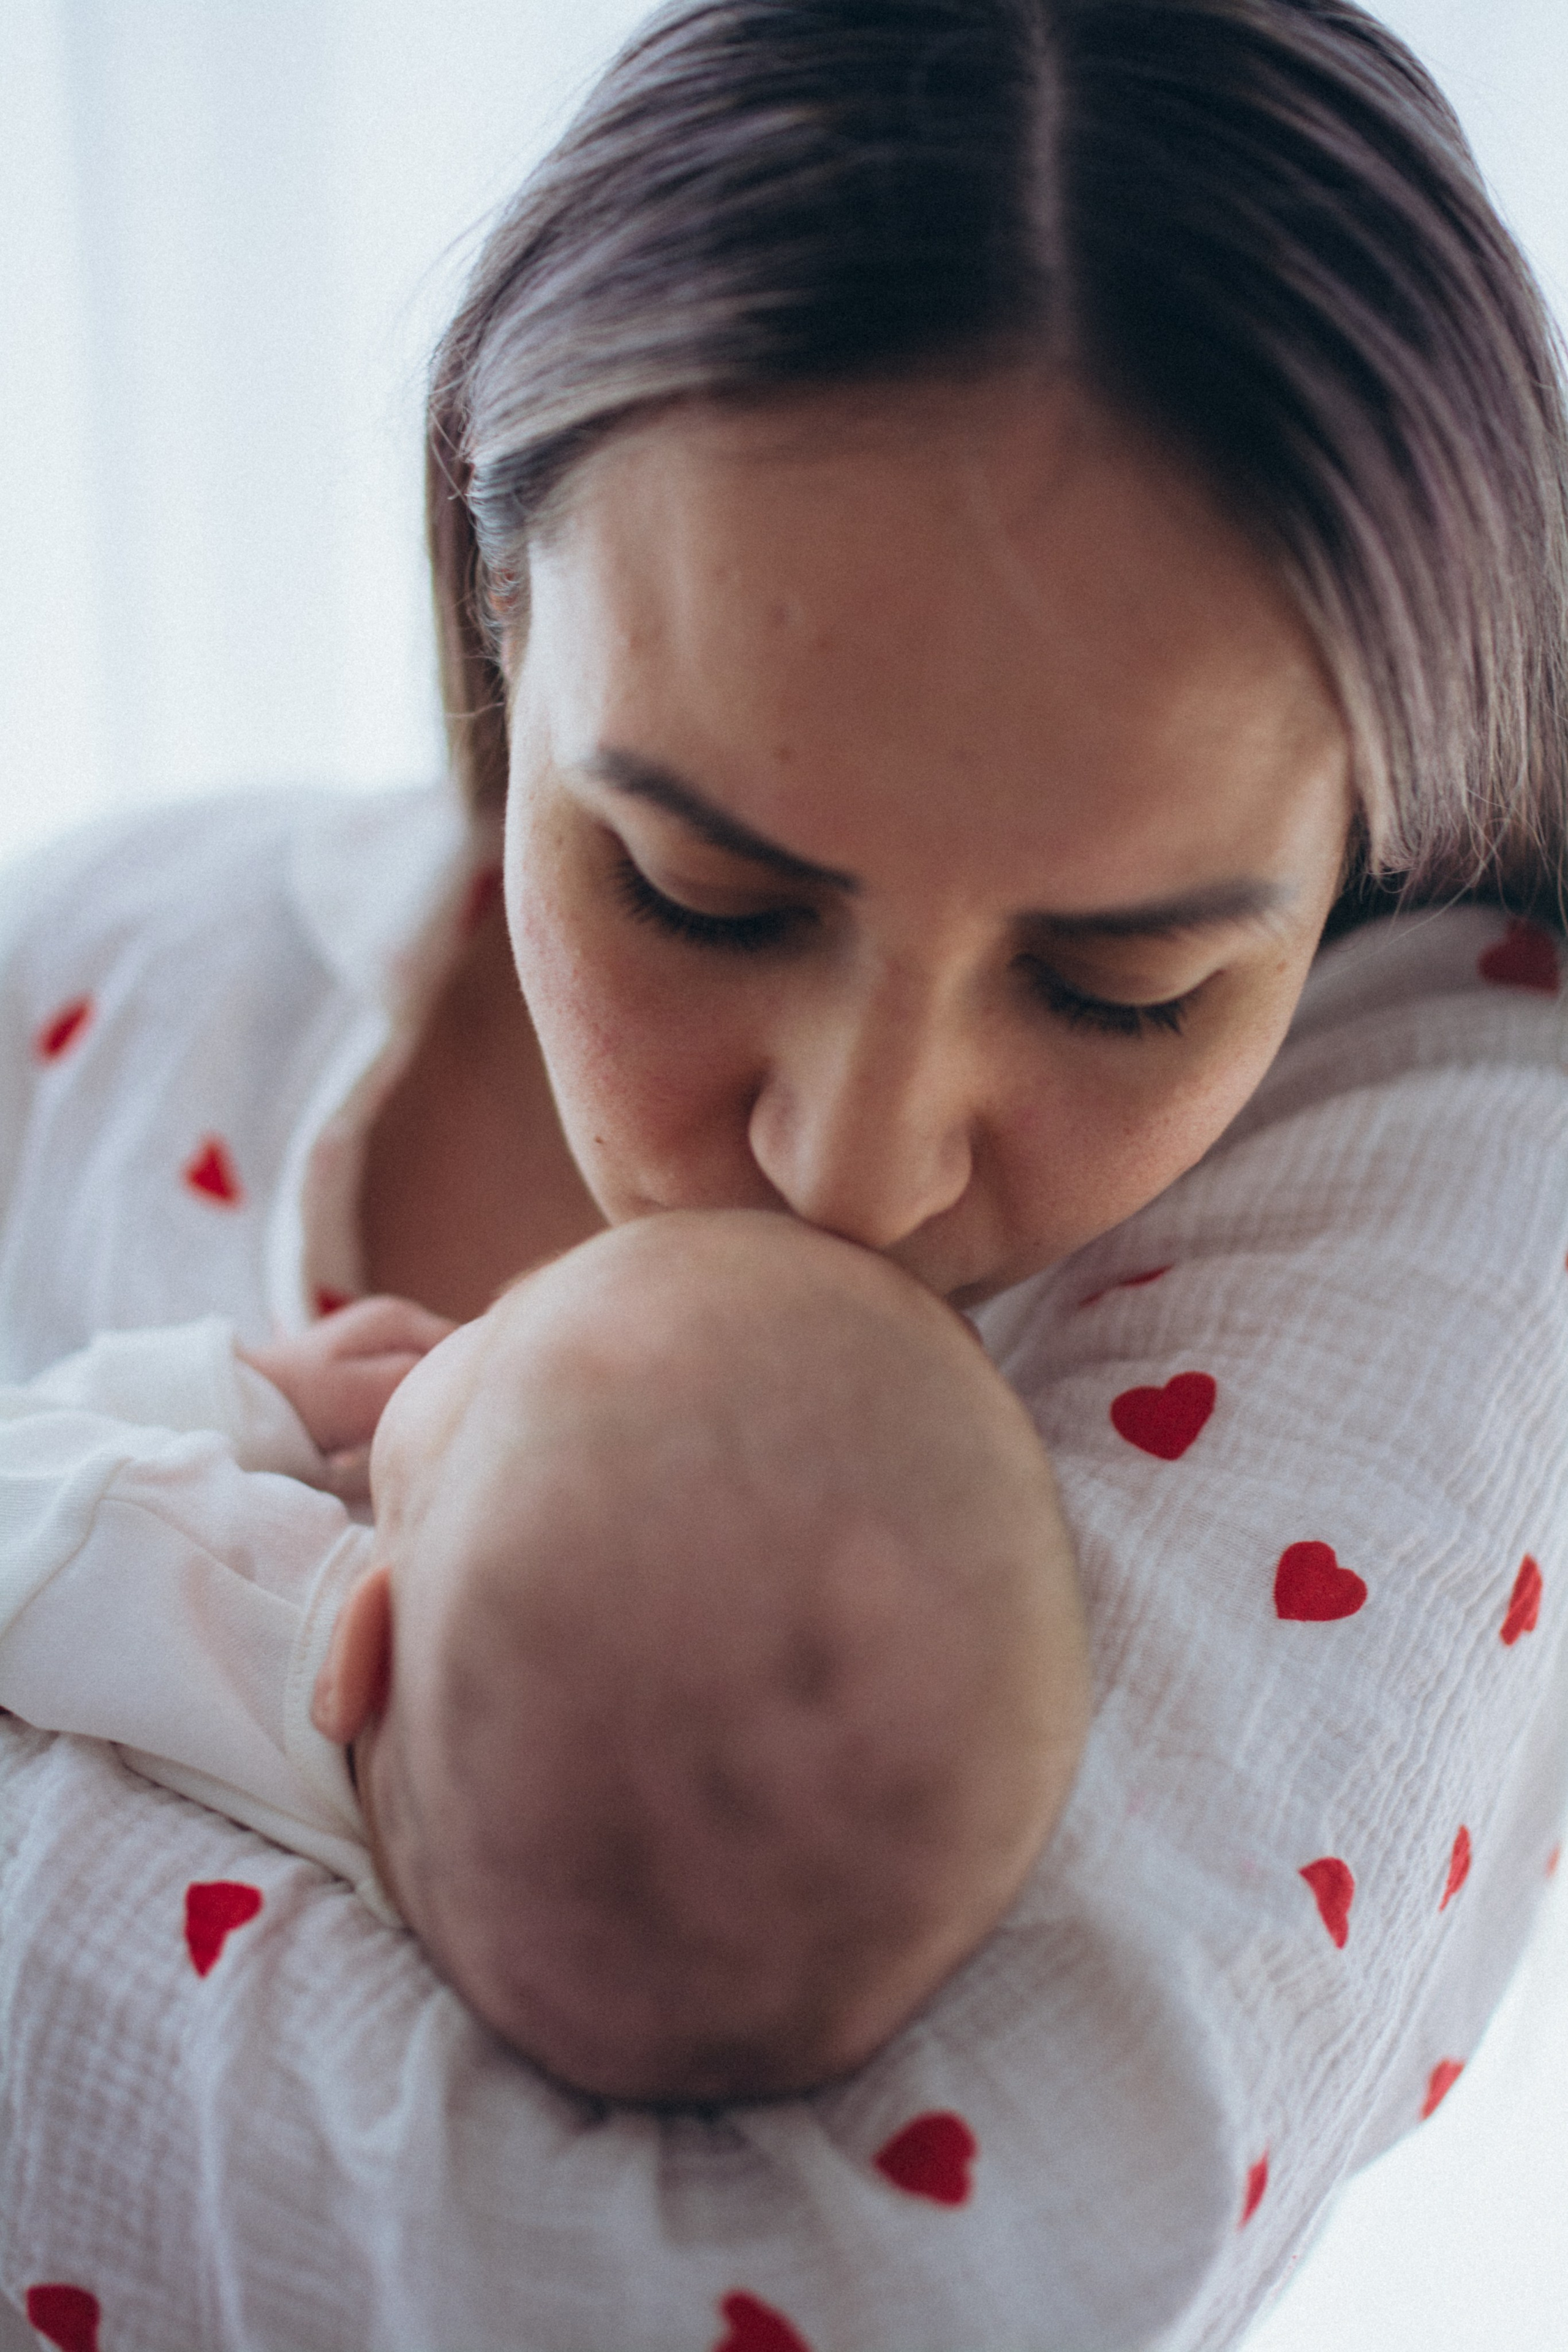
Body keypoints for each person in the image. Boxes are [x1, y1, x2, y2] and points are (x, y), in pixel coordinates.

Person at [2, 1, 1566, 2346]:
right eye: (700, 895)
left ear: (1379, 835)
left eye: (1125, 983)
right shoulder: (87, 991)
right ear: (498, 604)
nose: (849, 1166)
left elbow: (879, 2300)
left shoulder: (1469, 1162)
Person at [0, 1210, 1088, 2105]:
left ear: (362, 1647)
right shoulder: (495, 1967)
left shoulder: (203, 1573)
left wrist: (248, 1395)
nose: (474, 1315)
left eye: (492, 1337)